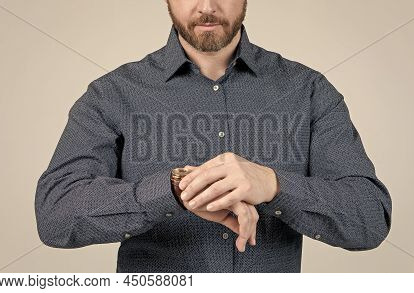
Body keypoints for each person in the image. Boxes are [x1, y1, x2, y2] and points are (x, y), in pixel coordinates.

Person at [35, 0, 392, 273]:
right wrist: (176, 188)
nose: (207, 7)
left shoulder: (309, 90)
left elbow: (371, 218)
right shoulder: (111, 94)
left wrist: (274, 185)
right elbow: (55, 215)